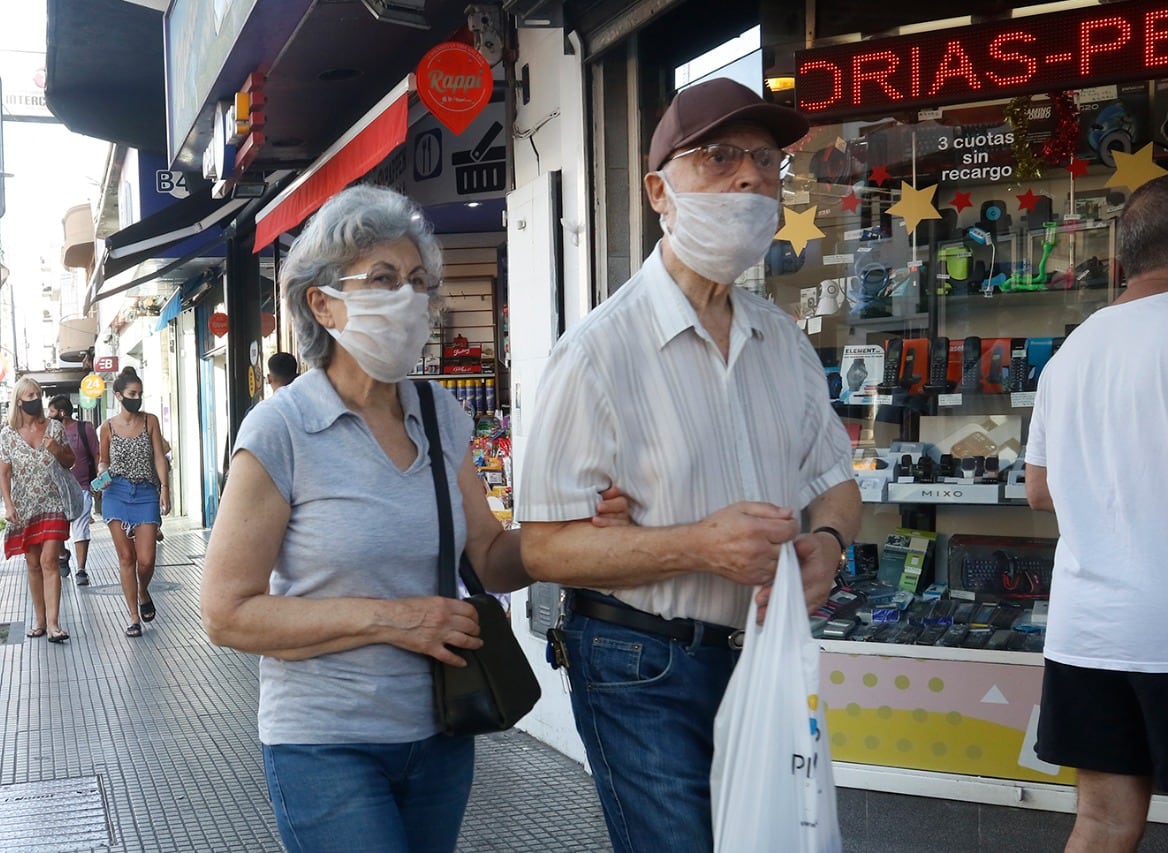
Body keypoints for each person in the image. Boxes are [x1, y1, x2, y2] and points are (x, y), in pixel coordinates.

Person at [199, 185, 629, 852]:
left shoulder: (439, 415)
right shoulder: (280, 429)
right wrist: (396, 618)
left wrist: (579, 525)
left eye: (419, 281)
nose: (409, 298)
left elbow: (488, 555)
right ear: (322, 302)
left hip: (441, 728)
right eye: (383, 278)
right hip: (324, 742)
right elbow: (227, 613)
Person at [515, 78, 862, 853]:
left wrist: (829, 546)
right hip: (642, 665)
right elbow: (540, 548)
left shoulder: (784, 342)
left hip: (764, 658)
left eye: (767, 162)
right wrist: (697, 545)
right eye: (718, 157)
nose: (748, 178)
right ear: (657, 191)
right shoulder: (597, 353)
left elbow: (835, 480)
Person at [1025, 175, 1168, 853]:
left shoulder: (1072, 352)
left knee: (1104, 821)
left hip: (1090, 632)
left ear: (1121, 257)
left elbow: (1040, 489)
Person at [0, 378, 75, 643]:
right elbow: (4, 474)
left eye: (38, 394)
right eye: (30, 395)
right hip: (24, 506)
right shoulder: (7, 434)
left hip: (53, 502)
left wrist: (56, 449)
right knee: (32, 563)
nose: (35, 399)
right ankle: (40, 620)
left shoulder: (54, 427)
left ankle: (54, 624)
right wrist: (8, 505)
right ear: (19, 400)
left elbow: (70, 461)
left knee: (49, 560)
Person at [97, 367, 171, 638]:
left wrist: (165, 488)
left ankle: (143, 590)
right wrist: (101, 473)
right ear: (118, 395)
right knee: (126, 557)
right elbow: (103, 459)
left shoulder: (150, 421)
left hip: (146, 492)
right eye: (131, 394)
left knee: (147, 559)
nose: (136, 398)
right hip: (116, 492)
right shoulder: (107, 427)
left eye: (139, 394)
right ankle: (133, 616)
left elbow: (160, 457)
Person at [48, 396, 100, 586]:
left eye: (51, 411)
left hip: (82, 486)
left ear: (61, 413)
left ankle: (81, 569)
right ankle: (63, 554)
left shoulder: (84, 428)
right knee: (58, 529)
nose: (49, 415)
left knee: (80, 527)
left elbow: (96, 454)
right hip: (57, 489)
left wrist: (97, 483)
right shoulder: (49, 432)